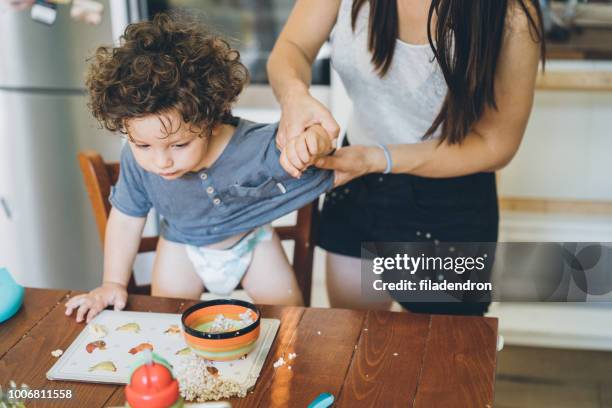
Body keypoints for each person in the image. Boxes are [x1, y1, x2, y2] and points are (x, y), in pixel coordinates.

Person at [267, 0, 545, 314]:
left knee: (443, 355)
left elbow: (496, 144)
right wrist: (294, 96)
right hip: (358, 181)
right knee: (356, 344)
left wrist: (377, 158)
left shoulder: (511, 14)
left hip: (450, 197)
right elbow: (293, 47)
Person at [65, 14, 334, 323]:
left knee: (289, 320)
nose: (161, 161)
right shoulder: (136, 161)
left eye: (179, 146)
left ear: (212, 122)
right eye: (143, 146)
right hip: (181, 246)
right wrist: (112, 283)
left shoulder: (253, 146)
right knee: (167, 321)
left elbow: (312, 145)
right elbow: (126, 220)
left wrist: (314, 140)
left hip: (250, 242)